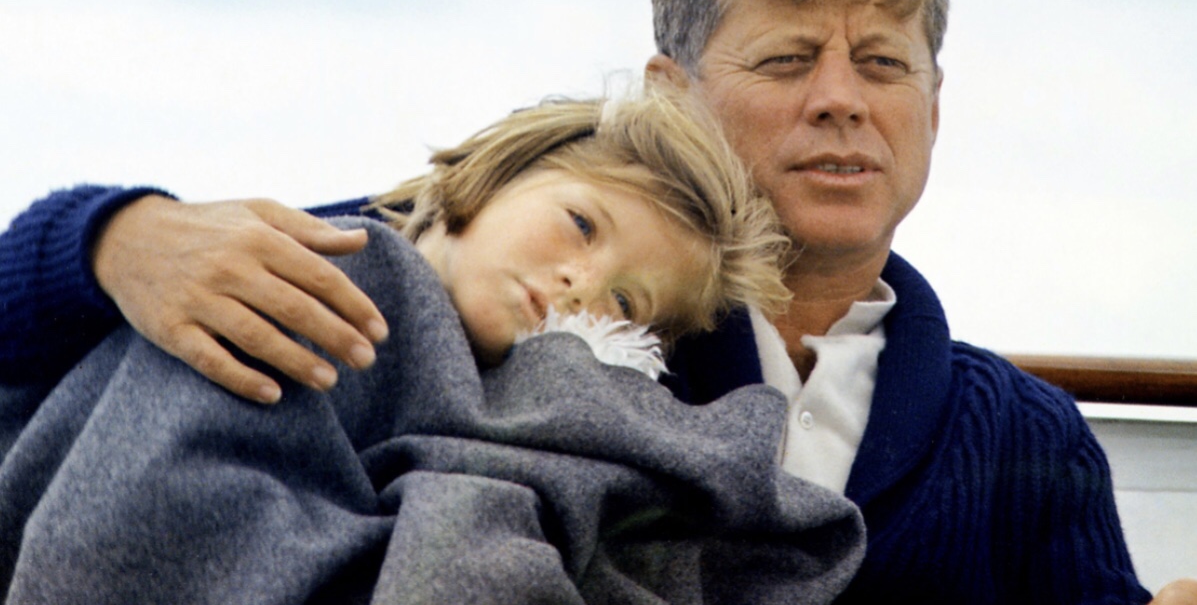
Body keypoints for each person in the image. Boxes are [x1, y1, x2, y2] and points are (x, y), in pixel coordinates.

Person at [1, 0, 1195, 605]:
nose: (842, 99)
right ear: (672, 94)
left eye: (884, 63)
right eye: (787, 57)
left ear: (934, 105)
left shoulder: (1027, 440)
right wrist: (117, 238)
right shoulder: (499, 278)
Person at [1, 90, 867, 604]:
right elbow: (134, 519)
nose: (581, 282)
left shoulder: (558, 410)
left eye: (623, 302)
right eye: (580, 223)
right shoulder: (322, 271)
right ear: (487, 180)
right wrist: (109, 235)